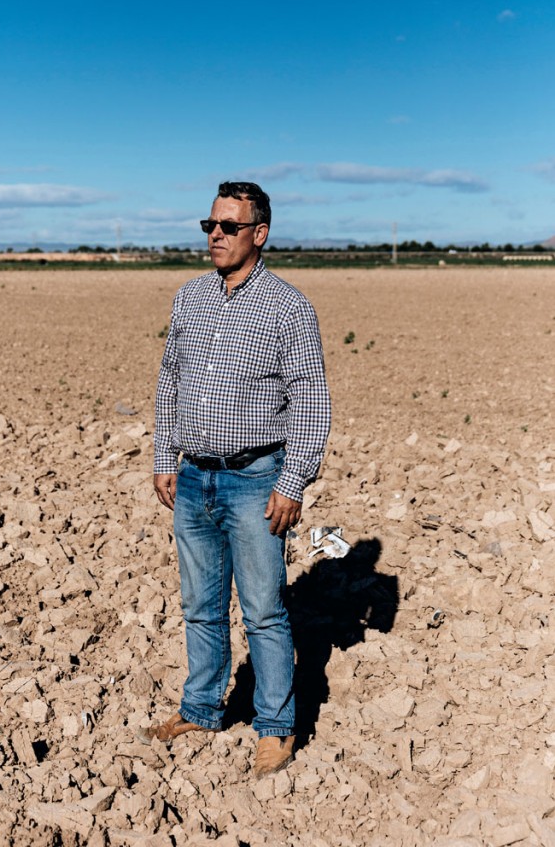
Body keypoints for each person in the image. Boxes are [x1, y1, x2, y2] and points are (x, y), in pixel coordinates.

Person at [148, 180, 331, 777]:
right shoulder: (190, 297)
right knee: (200, 606)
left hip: (256, 480)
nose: (216, 236)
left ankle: (276, 727)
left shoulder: (287, 307)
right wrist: (165, 455)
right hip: (193, 478)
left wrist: (292, 481)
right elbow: (170, 379)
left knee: (264, 611)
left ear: (260, 233)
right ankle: (201, 709)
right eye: (211, 225)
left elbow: (310, 399)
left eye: (229, 226)